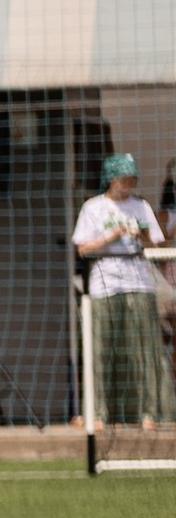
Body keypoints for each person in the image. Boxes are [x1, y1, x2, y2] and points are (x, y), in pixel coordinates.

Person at [74, 152, 176, 429]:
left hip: (138, 282)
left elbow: (156, 245)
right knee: (103, 348)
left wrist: (140, 235)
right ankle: (99, 412)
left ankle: (149, 411)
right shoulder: (93, 207)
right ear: (111, 179)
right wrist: (112, 236)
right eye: (123, 180)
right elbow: (83, 248)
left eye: (132, 180)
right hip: (105, 283)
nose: (128, 185)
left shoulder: (140, 207)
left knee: (144, 348)